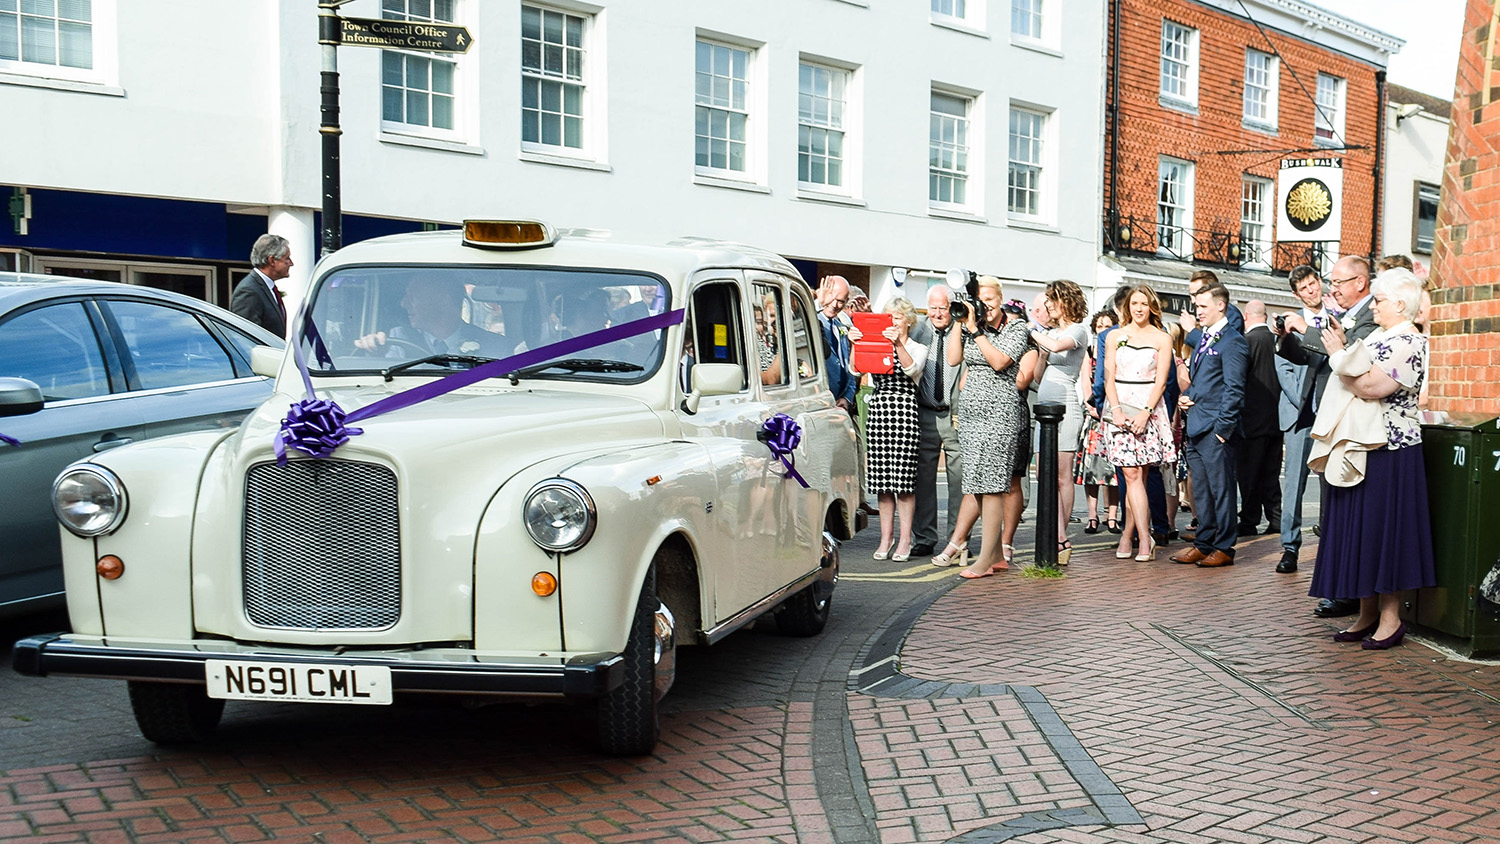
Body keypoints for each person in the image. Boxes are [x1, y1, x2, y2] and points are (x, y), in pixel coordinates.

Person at [1309, 268, 1434, 649]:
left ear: (1400, 305)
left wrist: (1338, 357)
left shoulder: (1410, 342)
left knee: (1386, 534)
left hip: (1392, 450)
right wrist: (1345, 358)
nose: (1374, 306)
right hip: (1363, 446)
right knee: (1361, 532)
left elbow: (1372, 386)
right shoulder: (1381, 335)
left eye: (1379, 300)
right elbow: (1359, 377)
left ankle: (1392, 619)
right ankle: (1366, 613)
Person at [1279, 255, 1379, 616]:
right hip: (1328, 421)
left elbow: (1350, 355)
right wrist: (1289, 336)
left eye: (1337, 282)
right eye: (1330, 282)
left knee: (1342, 511)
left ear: (1361, 282)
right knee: (1331, 508)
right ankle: (1339, 585)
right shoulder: (1346, 314)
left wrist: (1308, 332)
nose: (1330, 289)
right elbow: (1311, 358)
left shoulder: (1368, 319)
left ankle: (1347, 592)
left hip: (1353, 427)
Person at [945, 276, 1030, 579]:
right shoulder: (970, 326)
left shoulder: (1017, 328)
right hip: (971, 413)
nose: (986, 304)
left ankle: (984, 559)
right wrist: (959, 319)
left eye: (990, 298)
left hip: (1001, 412)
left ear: (1001, 299)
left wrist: (976, 331)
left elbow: (999, 362)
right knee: (977, 483)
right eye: (981, 299)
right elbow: (954, 359)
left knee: (993, 485)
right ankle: (995, 556)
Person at [1170, 282, 1248, 569]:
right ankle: (1203, 543)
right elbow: (1204, 382)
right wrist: (1187, 397)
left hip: (1216, 430)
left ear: (1220, 305)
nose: (1197, 311)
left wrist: (1223, 430)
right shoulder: (1205, 338)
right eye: (1197, 306)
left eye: (1203, 306)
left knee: (1221, 489)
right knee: (1201, 490)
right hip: (1196, 427)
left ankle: (1224, 546)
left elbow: (1234, 388)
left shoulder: (1233, 341)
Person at [1102, 284, 1177, 562]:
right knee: (1131, 475)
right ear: (1127, 306)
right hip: (1119, 407)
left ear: (1152, 307)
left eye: (1144, 303)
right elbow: (1108, 377)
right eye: (1135, 303)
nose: (1139, 308)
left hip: (1148, 408)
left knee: (1140, 476)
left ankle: (1136, 536)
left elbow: (1161, 381)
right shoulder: (1114, 336)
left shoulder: (1162, 338)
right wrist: (1117, 410)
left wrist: (1146, 412)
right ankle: (1140, 536)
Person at [1271, 265, 1330, 575]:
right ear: (1296, 294)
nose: (1311, 290)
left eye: (1313, 283)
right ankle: (1290, 548)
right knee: (1293, 485)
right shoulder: (1289, 323)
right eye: (1304, 288)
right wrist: (1305, 402)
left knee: (1330, 483)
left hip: (1331, 415)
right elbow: (1284, 369)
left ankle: (1329, 543)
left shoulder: (1335, 318)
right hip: (1299, 415)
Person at [1029, 280, 1090, 562]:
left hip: (1065, 409)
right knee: (1043, 473)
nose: (1048, 306)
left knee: (1063, 476)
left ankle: (1060, 536)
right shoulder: (1050, 333)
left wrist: (1033, 330)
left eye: (1052, 300)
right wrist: (1041, 354)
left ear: (1065, 301)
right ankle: (1055, 532)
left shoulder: (1077, 330)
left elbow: (1056, 344)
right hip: (1044, 408)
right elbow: (1038, 376)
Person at [866, 298, 927, 561]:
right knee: (882, 482)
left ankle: (905, 540)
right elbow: (857, 369)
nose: (892, 322)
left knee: (903, 482)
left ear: (909, 321)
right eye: (889, 317)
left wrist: (897, 344)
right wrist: (857, 342)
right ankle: (885, 538)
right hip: (879, 409)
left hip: (904, 410)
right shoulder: (877, 344)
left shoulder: (918, 347)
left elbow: (912, 368)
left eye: (898, 317)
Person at [913, 286, 965, 562]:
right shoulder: (917, 331)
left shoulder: (962, 330)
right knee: (923, 478)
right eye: (932, 308)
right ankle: (924, 537)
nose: (936, 313)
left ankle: (956, 539)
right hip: (925, 411)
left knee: (958, 480)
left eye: (942, 308)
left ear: (951, 308)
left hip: (955, 414)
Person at [354, 278, 503, 357]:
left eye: (413, 296)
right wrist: (377, 352)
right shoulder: (398, 338)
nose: (403, 303)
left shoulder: (495, 345)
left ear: (444, 300)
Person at [1236, 300, 1282, 539]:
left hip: (1252, 418)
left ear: (1246, 316)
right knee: (1271, 471)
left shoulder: (1247, 341)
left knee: (1250, 473)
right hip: (1276, 417)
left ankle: (1249, 520)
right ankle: (1275, 518)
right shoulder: (1277, 340)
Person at [1076, 309, 1119, 534]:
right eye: (1099, 326)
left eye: (1107, 325)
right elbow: (1086, 383)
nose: (1103, 330)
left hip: (1110, 414)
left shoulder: (1117, 351)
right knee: (1091, 471)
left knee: (1113, 471)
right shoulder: (1089, 352)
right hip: (1093, 416)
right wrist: (1090, 406)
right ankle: (1092, 516)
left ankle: (1111, 515)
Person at [232, 233, 292, 336]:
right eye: (287, 258)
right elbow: (245, 338)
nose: (291, 263)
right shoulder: (249, 291)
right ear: (272, 260)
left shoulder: (268, 288)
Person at [753, 304, 783, 385]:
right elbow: (770, 380)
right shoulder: (752, 346)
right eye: (772, 316)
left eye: (759, 322)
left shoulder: (770, 340)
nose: (755, 327)